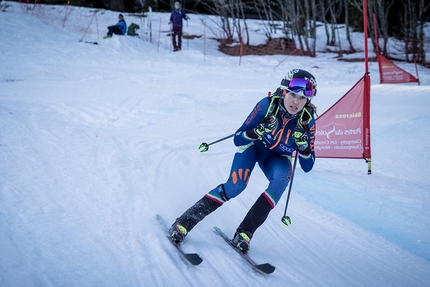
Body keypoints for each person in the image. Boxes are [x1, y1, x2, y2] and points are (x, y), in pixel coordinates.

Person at [169, 69, 318, 253]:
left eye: (302, 98)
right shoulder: (266, 105)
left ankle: (244, 233)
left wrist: (304, 147)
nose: (296, 102)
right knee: (236, 186)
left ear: (308, 101)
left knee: (281, 180)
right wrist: (256, 132)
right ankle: (183, 222)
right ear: (285, 91)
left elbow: (308, 165)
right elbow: (238, 139)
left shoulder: (307, 121)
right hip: (253, 148)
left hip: (277, 158)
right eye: (293, 95)